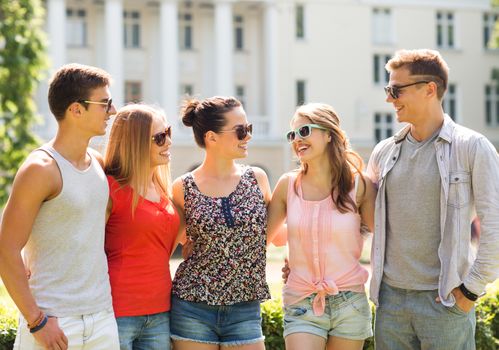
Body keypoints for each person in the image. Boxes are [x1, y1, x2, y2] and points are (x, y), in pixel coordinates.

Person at [367, 49, 499, 349]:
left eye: (396, 90)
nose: (390, 98)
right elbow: (360, 219)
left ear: (429, 89)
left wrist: (470, 291)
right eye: (389, 89)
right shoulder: (384, 152)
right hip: (390, 304)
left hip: (445, 302)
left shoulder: (473, 147)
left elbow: (495, 226)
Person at [0, 63, 119, 349]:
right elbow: (6, 248)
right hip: (53, 322)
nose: (112, 111)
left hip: (102, 318)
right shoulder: (40, 168)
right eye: (105, 103)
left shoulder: (98, 164)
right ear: (76, 110)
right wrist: (36, 321)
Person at [267, 103, 376, 350]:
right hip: (302, 299)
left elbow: (385, 237)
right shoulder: (288, 185)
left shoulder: (360, 185)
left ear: (329, 134)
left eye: (304, 131)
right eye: (292, 135)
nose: (296, 140)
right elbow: (264, 237)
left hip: (350, 301)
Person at [169, 96, 272, 350]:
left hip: (245, 308)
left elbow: (276, 234)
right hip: (192, 306)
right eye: (240, 131)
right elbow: (169, 242)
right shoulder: (183, 187)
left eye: (249, 129)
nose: (247, 136)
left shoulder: (257, 179)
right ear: (211, 138)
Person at [104, 104, 181, 349]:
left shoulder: (163, 191)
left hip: (161, 311)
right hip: (118, 312)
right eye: (160, 137)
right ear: (136, 142)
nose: (168, 142)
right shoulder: (109, 189)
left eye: (168, 132)